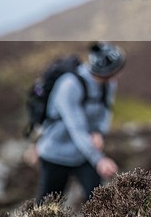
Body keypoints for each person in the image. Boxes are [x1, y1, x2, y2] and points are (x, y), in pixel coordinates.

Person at [36, 42, 126, 205]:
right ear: (106, 71)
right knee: (47, 207)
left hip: (83, 153)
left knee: (101, 203)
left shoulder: (109, 83)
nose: (119, 74)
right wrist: (99, 159)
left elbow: (105, 111)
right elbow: (76, 128)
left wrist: (99, 132)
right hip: (56, 154)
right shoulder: (69, 85)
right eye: (116, 70)